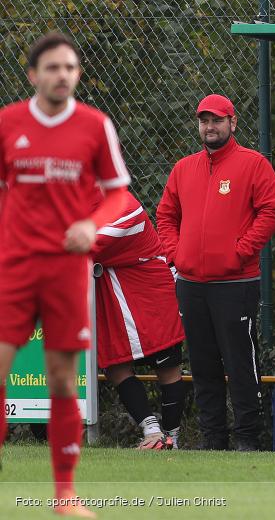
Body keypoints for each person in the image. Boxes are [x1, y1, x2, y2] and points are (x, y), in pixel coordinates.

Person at [0, 32, 132, 518]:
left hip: (66, 271)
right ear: (33, 75)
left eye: (70, 68)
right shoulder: (8, 124)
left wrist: (90, 224)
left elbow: (117, 194)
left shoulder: (95, 126)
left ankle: (65, 496)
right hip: (13, 267)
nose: (62, 75)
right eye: (52, 68)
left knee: (61, 380)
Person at [156, 94, 275, 451]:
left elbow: (270, 212)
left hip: (235, 283)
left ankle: (247, 438)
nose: (209, 127)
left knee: (240, 363)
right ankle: (213, 439)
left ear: (232, 123)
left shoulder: (253, 164)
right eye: (204, 121)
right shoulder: (184, 168)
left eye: (216, 120)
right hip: (191, 284)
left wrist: (239, 252)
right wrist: (176, 254)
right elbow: (165, 215)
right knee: (203, 364)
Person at [92, 189, 187, 450]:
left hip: (148, 292)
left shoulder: (124, 205)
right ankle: (152, 432)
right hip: (110, 295)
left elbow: (85, 246)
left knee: (167, 366)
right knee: (115, 366)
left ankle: (172, 438)